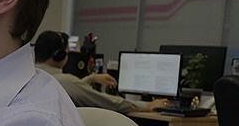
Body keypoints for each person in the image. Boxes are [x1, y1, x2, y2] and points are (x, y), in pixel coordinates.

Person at [33, 31, 169, 113]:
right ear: (60, 55)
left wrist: (91, 78)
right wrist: (148, 105)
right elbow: (107, 102)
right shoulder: (65, 81)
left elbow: (71, 88)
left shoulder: (33, 76)